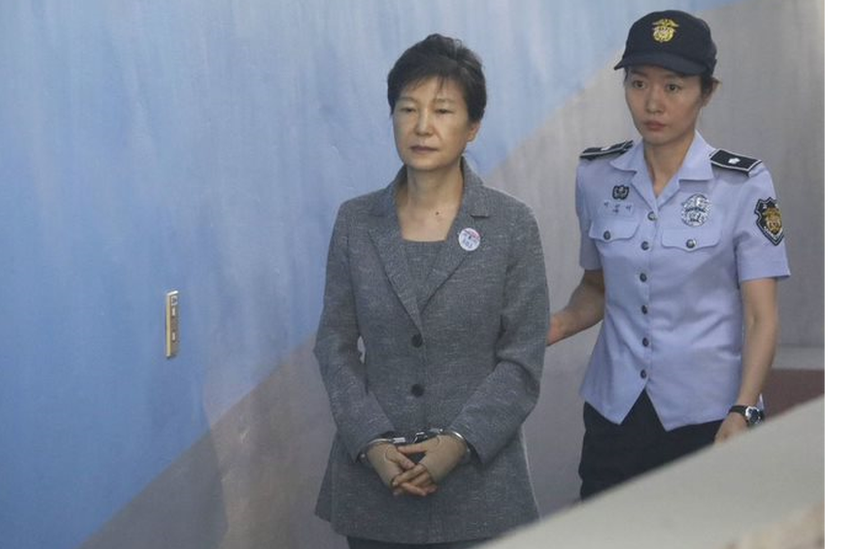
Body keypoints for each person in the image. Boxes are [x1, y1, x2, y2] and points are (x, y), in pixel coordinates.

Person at [314, 34, 549, 548]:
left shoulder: (511, 225)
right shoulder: (356, 222)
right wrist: (371, 441)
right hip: (379, 484)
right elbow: (334, 343)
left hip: (481, 490)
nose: (422, 126)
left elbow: (522, 359)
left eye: (442, 110)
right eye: (408, 108)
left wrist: (459, 442)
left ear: (472, 127)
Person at [548, 10, 790, 500]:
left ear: (708, 91)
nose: (652, 102)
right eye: (638, 83)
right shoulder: (596, 176)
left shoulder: (742, 184)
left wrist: (743, 411)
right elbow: (597, 289)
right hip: (614, 413)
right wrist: (543, 330)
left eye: (673, 86)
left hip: (708, 417)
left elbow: (762, 318)